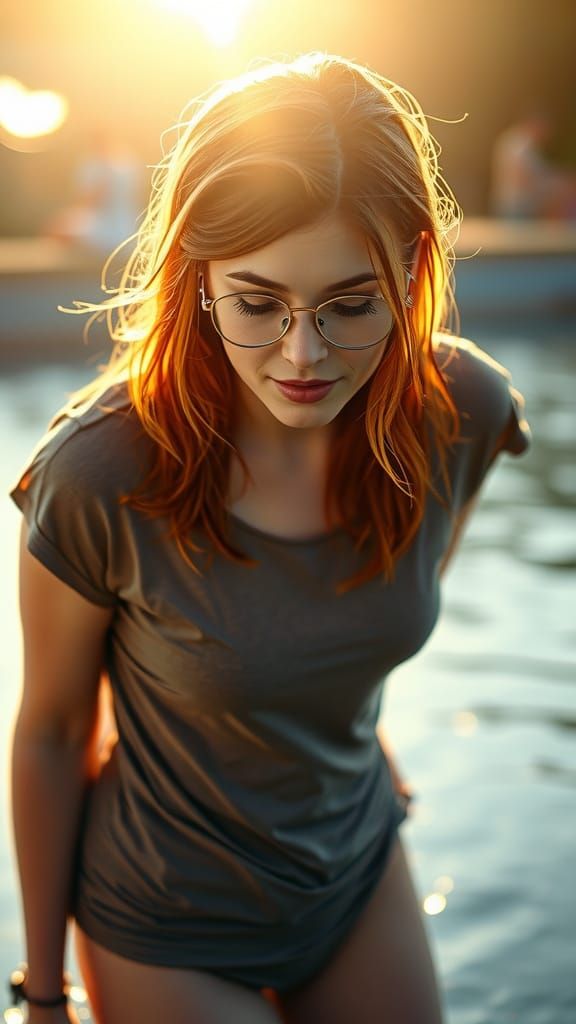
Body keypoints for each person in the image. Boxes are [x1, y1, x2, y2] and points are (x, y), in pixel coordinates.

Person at [8, 52, 531, 1024]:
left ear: (413, 268)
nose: (302, 355)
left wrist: (342, 729)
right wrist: (43, 993)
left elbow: (378, 612)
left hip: (355, 862)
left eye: (350, 304)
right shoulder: (98, 474)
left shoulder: (462, 411)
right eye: (257, 304)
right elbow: (48, 733)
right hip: (164, 917)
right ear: (198, 281)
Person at [490, 110, 576, 220]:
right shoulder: (519, 144)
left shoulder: (526, 145)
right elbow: (525, 177)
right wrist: (556, 185)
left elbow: (541, 172)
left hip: (518, 207)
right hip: (516, 208)